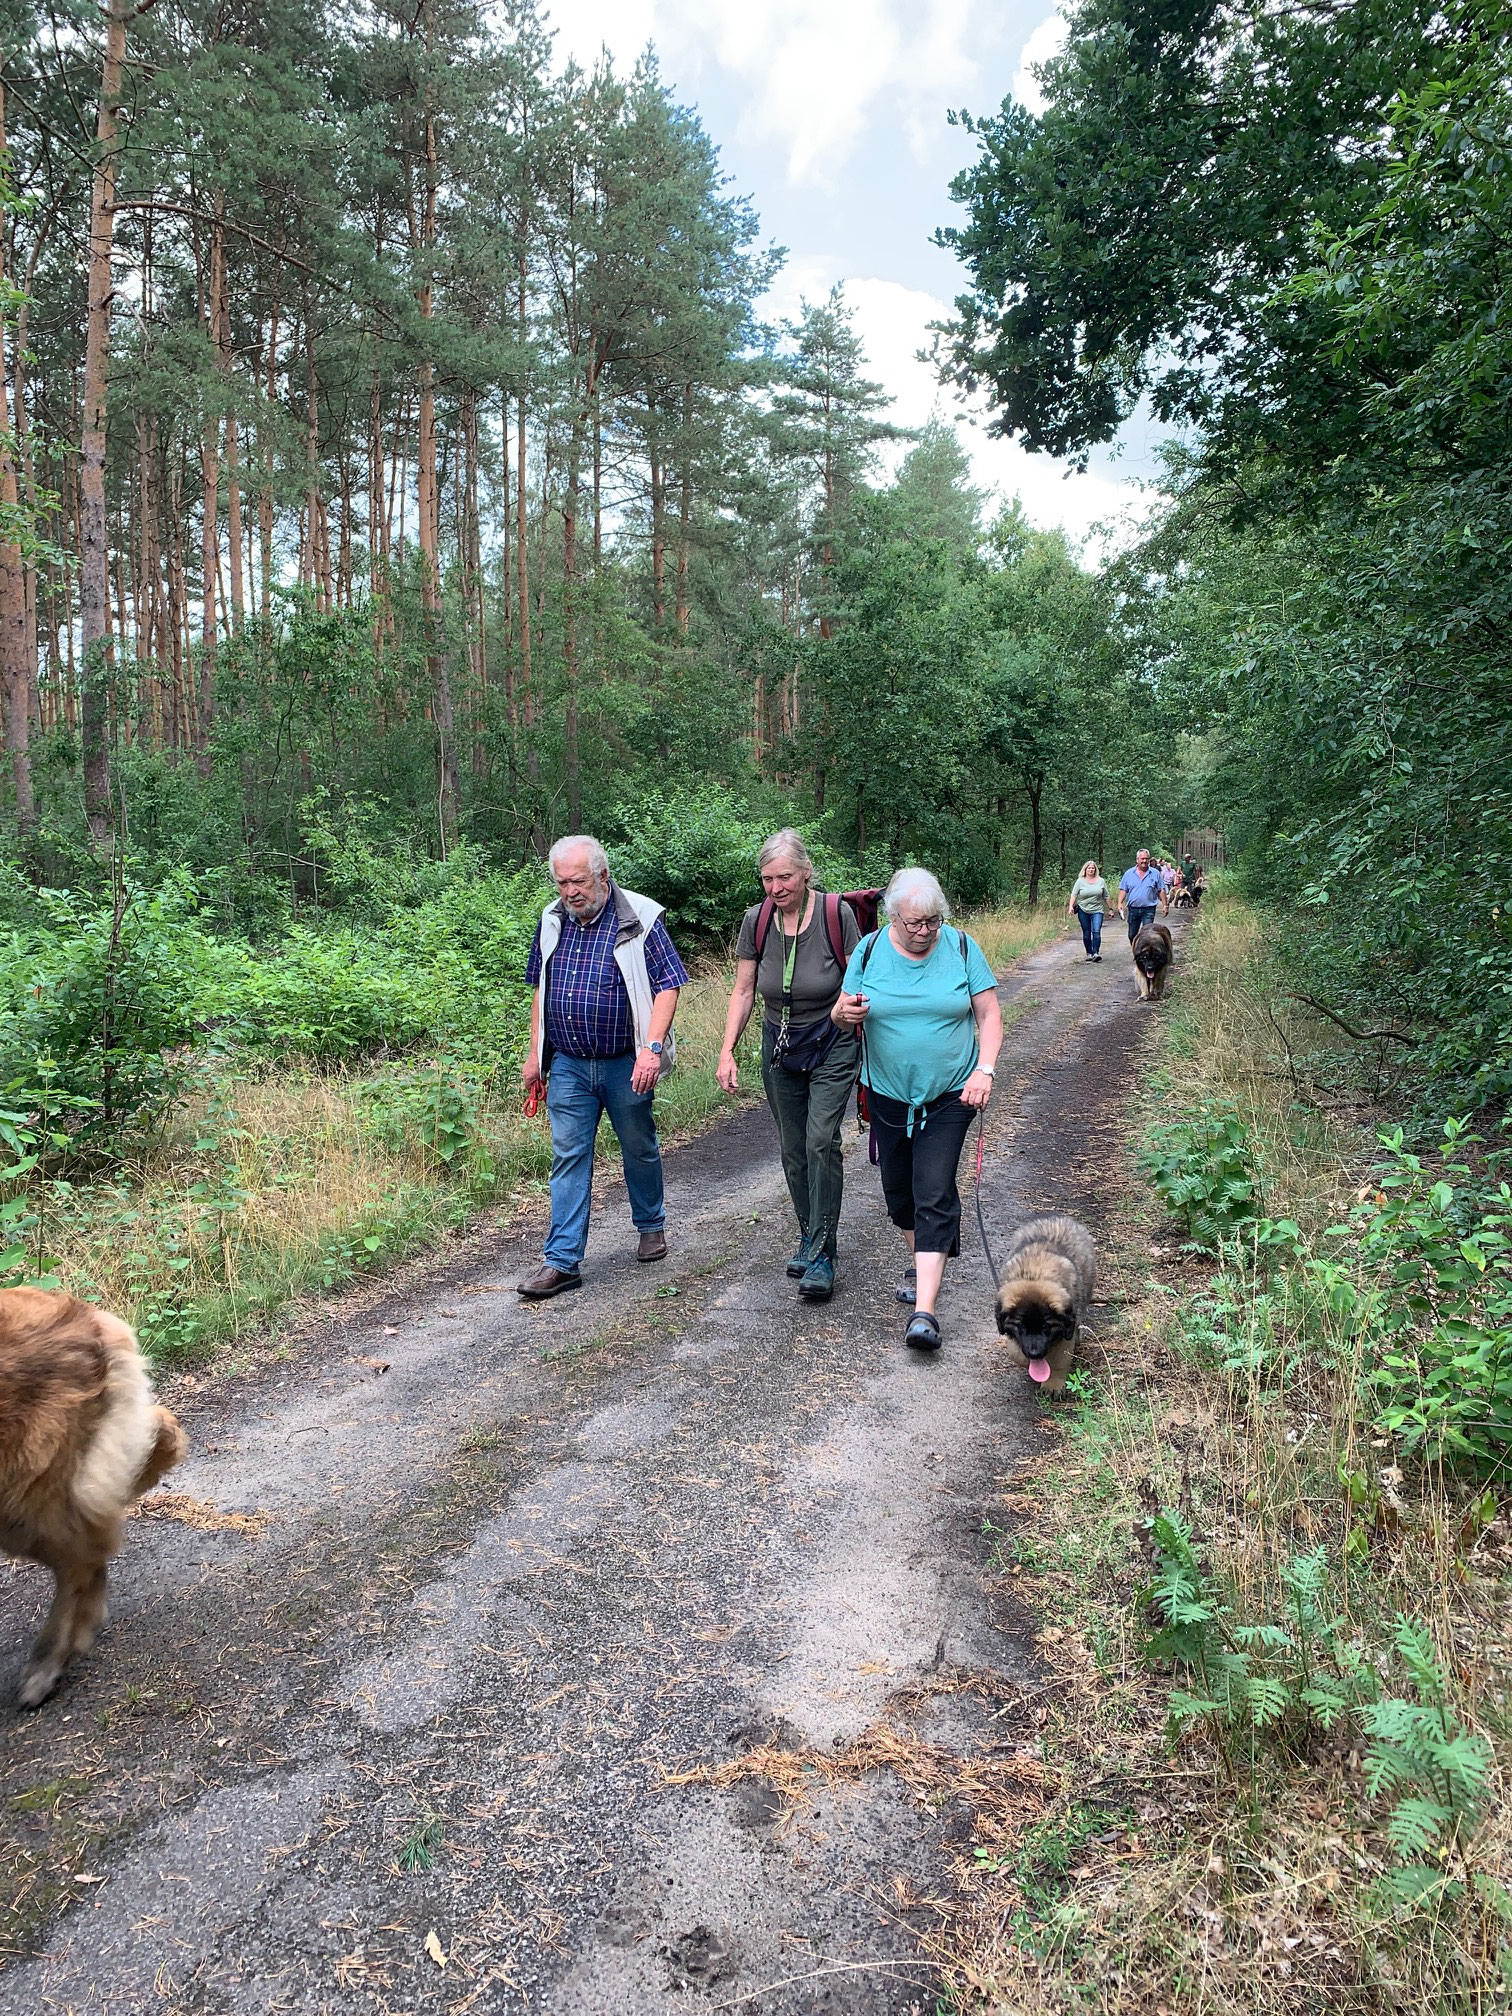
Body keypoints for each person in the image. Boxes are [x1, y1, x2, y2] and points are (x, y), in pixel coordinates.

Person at [831, 868, 1003, 1353]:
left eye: (931, 922)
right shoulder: (867, 952)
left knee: (933, 1188)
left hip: (952, 1093)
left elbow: (989, 1015)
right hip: (886, 1093)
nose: (924, 931)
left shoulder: (963, 948)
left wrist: (983, 1070)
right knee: (899, 1197)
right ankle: (927, 1251)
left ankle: (924, 1310)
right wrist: (846, 1015)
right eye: (914, 923)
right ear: (893, 918)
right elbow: (840, 1014)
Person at [518, 836, 689, 1299]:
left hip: (625, 1062)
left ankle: (651, 1225)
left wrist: (652, 1049)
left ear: (602, 876)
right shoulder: (552, 920)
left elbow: (668, 986)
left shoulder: (641, 917)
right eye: (561, 882)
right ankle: (562, 1261)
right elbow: (540, 987)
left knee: (638, 1145)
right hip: (569, 1064)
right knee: (569, 1156)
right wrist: (534, 1054)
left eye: (578, 881)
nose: (569, 891)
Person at [717, 831, 859, 1303]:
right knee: (792, 1148)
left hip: (833, 1041)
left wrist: (853, 1015)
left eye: (785, 878)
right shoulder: (756, 921)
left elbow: (861, 983)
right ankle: (808, 1233)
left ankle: (822, 1254)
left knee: (821, 1140)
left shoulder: (838, 916)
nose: (776, 888)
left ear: (806, 872)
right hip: (779, 1044)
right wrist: (727, 1049)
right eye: (767, 879)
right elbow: (742, 990)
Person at [1117, 848, 1167, 942]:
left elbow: (1161, 890)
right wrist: (1120, 903)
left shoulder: (1155, 873)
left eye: (1146, 859)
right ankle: (1136, 953)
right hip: (1133, 908)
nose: (1144, 861)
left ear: (1149, 860)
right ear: (1137, 860)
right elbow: (1123, 889)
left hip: (1149, 909)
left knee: (1147, 934)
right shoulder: (1129, 873)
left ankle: (1145, 955)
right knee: (1132, 935)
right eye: (1142, 858)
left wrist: (1165, 905)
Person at [1066, 858, 1109, 961]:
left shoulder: (1101, 881)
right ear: (1085, 870)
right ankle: (1089, 953)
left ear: (1095, 870)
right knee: (1086, 932)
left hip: (1097, 910)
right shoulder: (1080, 881)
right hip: (1083, 909)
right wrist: (1071, 907)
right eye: (1089, 868)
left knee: (1096, 931)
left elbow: (1106, 896)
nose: (1091, 870)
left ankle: (1096, 953)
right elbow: (1074, 895)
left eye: (1093, 868)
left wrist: (1111, 908)